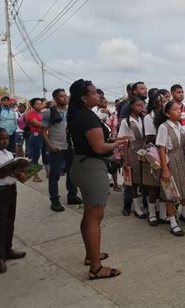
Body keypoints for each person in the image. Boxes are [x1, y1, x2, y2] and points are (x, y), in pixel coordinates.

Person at [67, 79, 128, 280]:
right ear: (84, 98)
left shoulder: (80, 114)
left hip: (82, 165)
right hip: (92, 169)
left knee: (88, 215)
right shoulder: (86, 117)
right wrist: (117, 143)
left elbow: (94, 143)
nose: (98, 96)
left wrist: (110, 142)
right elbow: (99, 148)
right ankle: (96, 267)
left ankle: (90, 254)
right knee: (95, 218)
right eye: (94, 94)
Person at [155, 100, 185, 237]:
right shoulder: (164, 127)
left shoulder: (180, 126)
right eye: (175, 109)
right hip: (170, 161)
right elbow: (161, 149)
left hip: (181, 159)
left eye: (179, 109)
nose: (179, 111)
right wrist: (165, 169)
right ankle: (173, 222)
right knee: (171, 193)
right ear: (167, 114)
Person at [42, 88, 83, 212]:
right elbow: (43, 130)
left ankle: (72, 195)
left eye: (65, 96)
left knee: (72, 172)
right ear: (55, 99)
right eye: (61, 96)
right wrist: (50, 145)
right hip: (56, 147)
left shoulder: (71, 111)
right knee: (55, 175)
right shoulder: (49, 112)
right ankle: (55, 200)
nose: (64, 98)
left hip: (70, 146)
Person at [0, 127, 27, 273]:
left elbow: (13, 171)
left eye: (7, 138)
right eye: (2, 139)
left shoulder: (8, 153)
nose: (6, 141)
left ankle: (7, 249)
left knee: (9, 220)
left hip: (10, 190)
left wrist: (20, 173)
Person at [118, 97, 153, 219]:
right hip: (132, 151)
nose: (141, 108)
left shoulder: (144, 120)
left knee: (146, 180)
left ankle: (148, 206)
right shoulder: (126, 122)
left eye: (142, 106)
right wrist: (125, 159)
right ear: (132, 106)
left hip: (144, 151)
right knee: (134, 181)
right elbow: (123, 141)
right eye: (138, 105)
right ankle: (136, 208)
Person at [144, 91, 167, 225]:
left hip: (165, 150)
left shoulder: (163, 116)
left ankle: (163, 213)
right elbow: (150, 137)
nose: (164, 103)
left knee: (164, 185)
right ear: (156, 102)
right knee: (153, 185)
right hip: (155, 151)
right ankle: (152, 213)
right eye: (162, 101)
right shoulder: (149, 118)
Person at [26, 98, 45, 182]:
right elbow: (37, 124)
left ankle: (45, 172)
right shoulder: (30, 114)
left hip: (43, 136)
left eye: (40, 104)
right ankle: (34, 175)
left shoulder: (41, 113)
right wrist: (48, 123)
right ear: (33, 105)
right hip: (35, 136)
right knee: (35, 156)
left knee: (44, 154)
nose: (39, 105)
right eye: (37, 104)